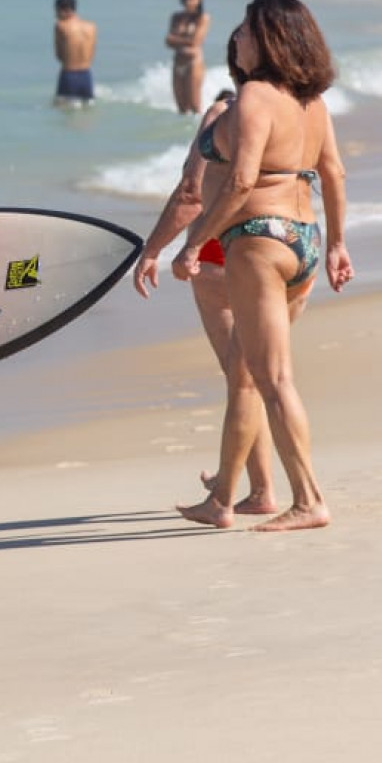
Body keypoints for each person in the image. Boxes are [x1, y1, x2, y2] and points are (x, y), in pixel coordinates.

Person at [172, 0, 354, 530]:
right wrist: (340, 244)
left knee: (272, 378)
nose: (239, 41)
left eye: (247, 33)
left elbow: (242, 181)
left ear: (270, 40)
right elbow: (334, 173)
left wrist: (192, 243)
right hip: (305, 239)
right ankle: (224, 499)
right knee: (248, 371)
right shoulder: (312, 101)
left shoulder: (253, 96)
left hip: (258, 240)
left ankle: (309, 499)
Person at [136, 76, 282, 517]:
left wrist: (153, 250)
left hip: (220, 251)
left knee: (242, 379)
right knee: (255, 374)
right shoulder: (289, 113)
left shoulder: (222, 113)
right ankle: (255, 484)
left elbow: (191, 192)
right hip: (278, 246)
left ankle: (247, 491)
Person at [165, 0, 210, 115]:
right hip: (178, 62)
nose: (188, 1)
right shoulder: (176, 17)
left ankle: (200, 133)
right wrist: (183, 41)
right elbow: (168, 41)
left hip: (193, 63)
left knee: (195, 106)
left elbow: (195, 41)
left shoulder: (202, 18)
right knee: (181, 108)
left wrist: (176, 39)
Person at [52, 0, 98, 106]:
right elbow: (92, 53)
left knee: (63, 114)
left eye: (57, 11)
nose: (56, 15)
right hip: (87, 75)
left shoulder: (61, 26)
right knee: (87, 113)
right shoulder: (92, 27)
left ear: (65, 10)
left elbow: (59, 55)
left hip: (69, 75)